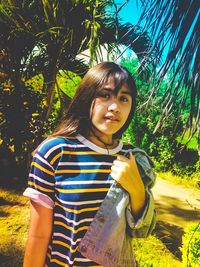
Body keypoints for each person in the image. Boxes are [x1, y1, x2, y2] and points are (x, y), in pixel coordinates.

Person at [23, 61, 156, 267]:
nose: (115, 107)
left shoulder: (134, 158)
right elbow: (38, 236)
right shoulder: (55, 152)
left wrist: (137, 189)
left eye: (124, 99)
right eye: (105, 95)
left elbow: (142, 230)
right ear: (87, 97)